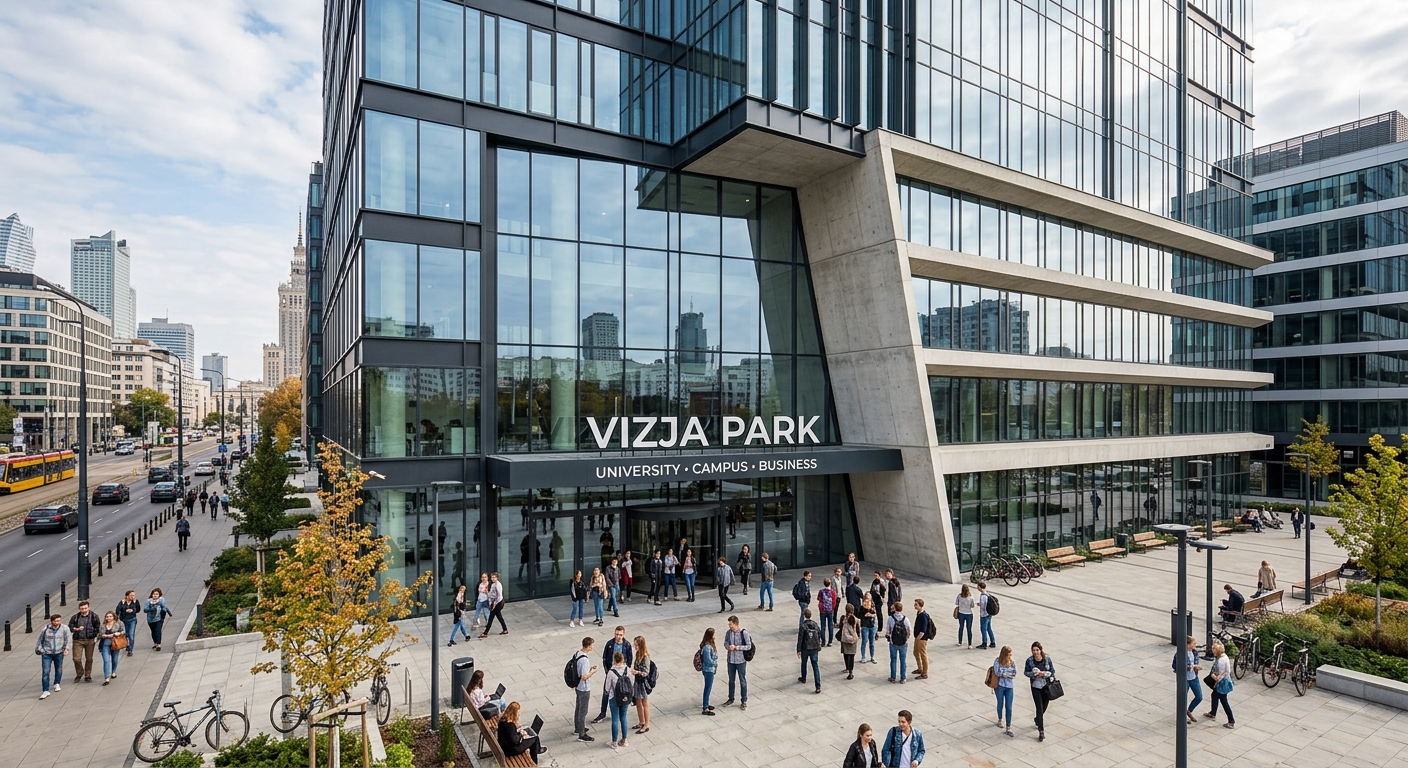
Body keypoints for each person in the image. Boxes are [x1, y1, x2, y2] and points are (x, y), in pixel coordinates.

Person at [593, 627, 633, 724]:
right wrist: (607, 671)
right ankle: (603, 712)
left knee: (622, 691)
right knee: (606, 692)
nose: (618, 636)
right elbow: (605, 657)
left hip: (622, 674)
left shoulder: (627, 645)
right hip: (611, 672)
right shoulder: (610, 644)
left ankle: (622, 709)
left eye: (620, 635)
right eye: (616, 634)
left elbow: (630, 659)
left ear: (624, 635)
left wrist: (626, 672)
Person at [35, 614, 70, 700]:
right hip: (47, 653)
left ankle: (57, 683)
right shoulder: (46, 629)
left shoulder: (64, 628)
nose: (58, 622)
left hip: (59, 652)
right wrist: (41, 650)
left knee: (59, 669)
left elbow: (68, 639)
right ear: (51, 621)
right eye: (56, 621)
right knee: (46, 671)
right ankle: (45, 690)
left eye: (59, 620)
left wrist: (67, 648)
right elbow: (40, 640)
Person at [1025, 641, 1055, 741]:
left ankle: (1038, 719)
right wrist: (1034, 674)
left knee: (1045, 705)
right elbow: (1026, 672)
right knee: (1039, 707)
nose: (1035, 652)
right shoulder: (1029, 660)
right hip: (1036, 686)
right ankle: (1041, 731)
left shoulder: (1047, 659)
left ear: (1040, 650)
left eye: (1037, 650)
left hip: (1046, 686)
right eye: (1033, 650)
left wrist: (1044, 674)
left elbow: (1052, 671)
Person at [66, 600, 100, 683]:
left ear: (89, 607)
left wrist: (94, 635)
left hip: (90, 640)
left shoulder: (94, 616)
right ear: (79, 609)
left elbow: (97, 627)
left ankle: (88, 675)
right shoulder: (75, 617)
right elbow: (69, 627)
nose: (84, 610)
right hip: (78, 640)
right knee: (76, 659)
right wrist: (76, 629)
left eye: (85, 608)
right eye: (82, 609)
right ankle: (80, 672)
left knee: (89, 659)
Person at [603, 652, 633, 749]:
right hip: (626, 697)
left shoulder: (611, 672)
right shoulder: (628, 670)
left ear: (614, 660)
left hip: (614, 698)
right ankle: (625, 740)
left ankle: (614, 742)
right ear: (623, 659)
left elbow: (607, 688)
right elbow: (632, 682)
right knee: (623, 717)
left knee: (615, 719)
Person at [722, 616, 752, 709]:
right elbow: (725, 643)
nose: (729, 626)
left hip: (740, 661)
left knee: (742, 681)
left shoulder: (744, 633)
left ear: (736, 624)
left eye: (731, 624)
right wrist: (728, 647)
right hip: (731, 660)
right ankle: (731, 698)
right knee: (731, 680)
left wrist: (737, 647)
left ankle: (744, 700)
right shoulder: (728, 633)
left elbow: (748, 646)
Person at [1205, 640, 1235, 729]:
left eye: (1214, 650)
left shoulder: (1221, 661)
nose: (1212, 651)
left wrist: (1214, 677)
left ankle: (1231, 721)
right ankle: (1213, 712)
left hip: (1222, 683)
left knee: (1224, 701)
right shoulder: (1224, 656)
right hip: (1225, 681)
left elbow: (1221, 674)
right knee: (1214, 695)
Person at [571, 637, 597, 742]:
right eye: (592, 645)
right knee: (583, 711)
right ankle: (582, 734)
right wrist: (593, 672)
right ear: (589, 646)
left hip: (577, 686)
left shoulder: (578, 654)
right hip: (584, 688)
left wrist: (589, 670)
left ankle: (578, 728)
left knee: (578, 707)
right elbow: (584, 676)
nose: (593, 647)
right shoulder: (584, 659)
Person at [631, 636, 655, 733]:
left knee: (644, 702)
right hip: (637, 681)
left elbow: (646, 672)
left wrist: (636, 672)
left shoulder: (645, 656)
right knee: (638, 702)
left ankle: (647, 724)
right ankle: (641, 721)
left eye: (636, 645)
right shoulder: (638, 654)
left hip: (642, 682)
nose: (635, 646)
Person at [1177, 635, 1203, 725]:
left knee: (1199, 696)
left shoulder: (1195, 652)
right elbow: (1176, 666)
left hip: (1194, 677)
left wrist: (1196, 667)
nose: (1195, 644)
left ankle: (1189, 710)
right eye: (1193, 643)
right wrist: (1189, 667)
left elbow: (1196, 662)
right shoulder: (1180, 654)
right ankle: (1182, 716)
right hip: (1185, 679)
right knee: (1182, 698)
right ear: (1188, 645)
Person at [797, 608, 823, 693]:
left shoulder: (803, 626)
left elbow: (800, 638)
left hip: (805, 648)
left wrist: (798, 649)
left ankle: (803, 677)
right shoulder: (815, 624)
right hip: (814, 648)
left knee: (804, 663)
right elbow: (819, 634)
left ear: (804, 615)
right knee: (815, 666)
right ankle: (818, 685)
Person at [992, 645, 1016, 736]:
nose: (1010, 656)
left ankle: (1008, 726)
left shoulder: (1012, 662)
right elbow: (997, 672)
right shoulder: (997, 661)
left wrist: (1006, 674)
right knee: (1000, 703)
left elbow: (1014, 673)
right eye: (1008, 655)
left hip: (1009, 686)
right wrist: (1005, 674)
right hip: (1000, 685)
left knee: (1009, 707)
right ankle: (999, 719)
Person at [886, 602, 910, 683]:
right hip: (903, 643)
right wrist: (906, 638)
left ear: (895, 609)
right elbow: (908, 631)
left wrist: (888, 637)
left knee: (893, 660)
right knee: (903, 660)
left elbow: (888, 631)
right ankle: (903, 678)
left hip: (893, 642)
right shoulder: (906, 619)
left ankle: (893, 677)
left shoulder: (890, 618)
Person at [699, 628, 719, 716]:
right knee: (708, 688)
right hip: (708, 670)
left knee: (708, 687)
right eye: (714, 634)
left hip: (709, 670)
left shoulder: (709, 645)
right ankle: (705, 707)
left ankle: (707, 703)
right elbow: (708, 660)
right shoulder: (707, 647)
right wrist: (715, 663)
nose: (715, 636)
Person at [838, 604, 861, 679]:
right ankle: (851, 672)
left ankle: (847, 668)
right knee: (851, 656)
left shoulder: (843, 618)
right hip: (853, 640)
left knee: (846, 654)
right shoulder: (856, 619)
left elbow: (840, 627)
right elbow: (858, 629)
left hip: (844, 640)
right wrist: (858, 636)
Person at [116, 590, 141, 657]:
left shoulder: (136, 601)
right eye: (131, 595)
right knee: (126, 634)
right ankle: (127, 645)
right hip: (123, 620)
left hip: (132, 619)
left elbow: (138, 609)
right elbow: (117, 611)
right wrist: (125, 611)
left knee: (131, 634)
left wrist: (133, 610)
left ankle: (130, 650)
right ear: (127, 596)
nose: (132, 597)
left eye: (133, 595)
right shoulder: (122, 602)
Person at [911, 599, 932, 679]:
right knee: (916, 652)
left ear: (920, 605)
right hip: (918, 637)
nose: (915, 606)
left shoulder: (923, 615)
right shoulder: (919, 613)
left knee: (923, 654)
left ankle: (925, 672)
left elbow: (923, 629)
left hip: (922, 638)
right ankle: (920, 668)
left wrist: (918, 638)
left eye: (916, 604)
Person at [817, 578, 838, 647]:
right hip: (830, 610)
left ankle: (823, 641)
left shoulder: (821, 591)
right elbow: (834, 601)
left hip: (823, 610)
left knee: (823, 626)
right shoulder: (832, 592)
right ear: (830, 584)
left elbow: (819, 599)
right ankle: (830, 641)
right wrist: (832, 608)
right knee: (830, 626)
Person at [976, 581, 996, 650]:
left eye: (977, 586)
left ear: (980, 587)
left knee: (983, 629)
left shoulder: (982, 596)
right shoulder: (987, 594)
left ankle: (984, 643)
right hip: (989, 614)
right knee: (989, 628)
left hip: (984, 615)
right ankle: (993, 642)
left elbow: (983, 606)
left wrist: (980, 605)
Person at [859, 593, 878, 664]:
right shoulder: (862, 607)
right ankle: (863, 657)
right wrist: (865, 614)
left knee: (872, 642)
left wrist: (871, 615)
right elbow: (859, 615)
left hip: (872, 625)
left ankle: (872, 656)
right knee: (864, 641)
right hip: (865, 625)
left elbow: (875, 614)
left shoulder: (872, 606)